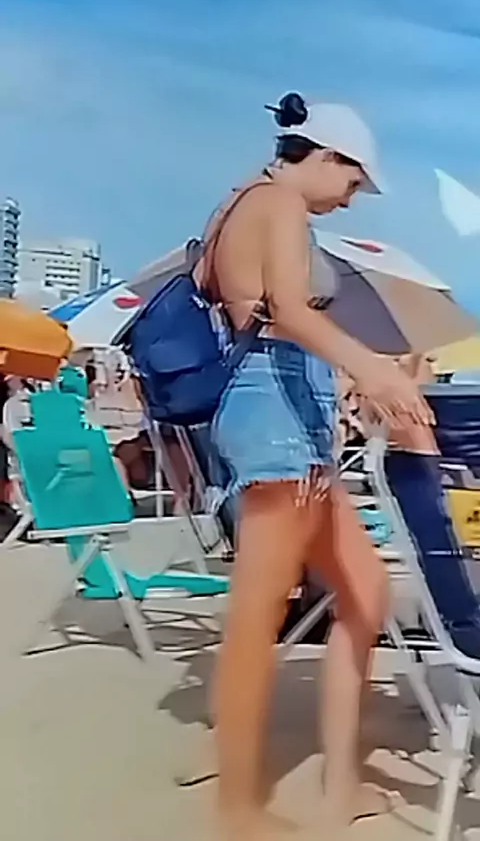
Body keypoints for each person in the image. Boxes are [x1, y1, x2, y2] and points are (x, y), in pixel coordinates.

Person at [200, 93, 433, 839]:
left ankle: (342, 783)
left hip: (287, 416)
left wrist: (366, 374)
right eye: (353, 182)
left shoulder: (246, 203)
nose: (352, 198)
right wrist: (376, 369)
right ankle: (237, 808)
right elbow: (290, 314)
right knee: (258, 615)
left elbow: (278, 317)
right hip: (271, 418)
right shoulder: (276, 203)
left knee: (364, 591)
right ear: (327, 157)